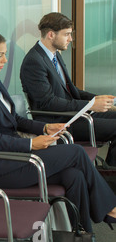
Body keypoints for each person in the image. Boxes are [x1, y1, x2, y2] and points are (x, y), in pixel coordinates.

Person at [0, 30, 116, 232]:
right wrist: (31, 143)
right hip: (0, 168)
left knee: (74, 177)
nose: (5, 60)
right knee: (76, 152)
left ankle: (80, 236)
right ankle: (110, 208)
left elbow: (14, 120)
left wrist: (44, 127)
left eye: (5, 54)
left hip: (15, 158)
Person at [20, 12, 116, 167]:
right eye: (67, 34)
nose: (71, 39)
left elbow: (70, 90)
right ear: (51, 35)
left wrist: (98, 99)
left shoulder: (54, 55)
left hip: (74, 114)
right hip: (59, 122)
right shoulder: (34, 62)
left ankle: (108, 172)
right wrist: (90, 105)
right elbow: (47, 102)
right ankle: (110, 177)